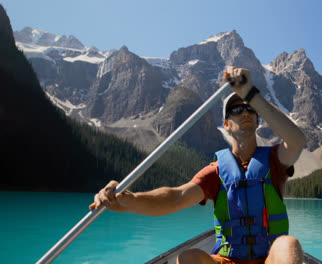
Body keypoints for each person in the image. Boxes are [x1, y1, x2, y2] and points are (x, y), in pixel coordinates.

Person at [89, 66, 306, 264]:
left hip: (270, 258)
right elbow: (176, 197)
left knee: (288, 244)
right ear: (226, 125)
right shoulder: (217, 172)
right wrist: (130, 201)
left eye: (250, 109)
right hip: (227, 260)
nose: (245, 112)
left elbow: (297, 141)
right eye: (236, 111)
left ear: (258, 121)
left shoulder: (275, 160)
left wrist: (249, 92)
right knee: (188, 258)